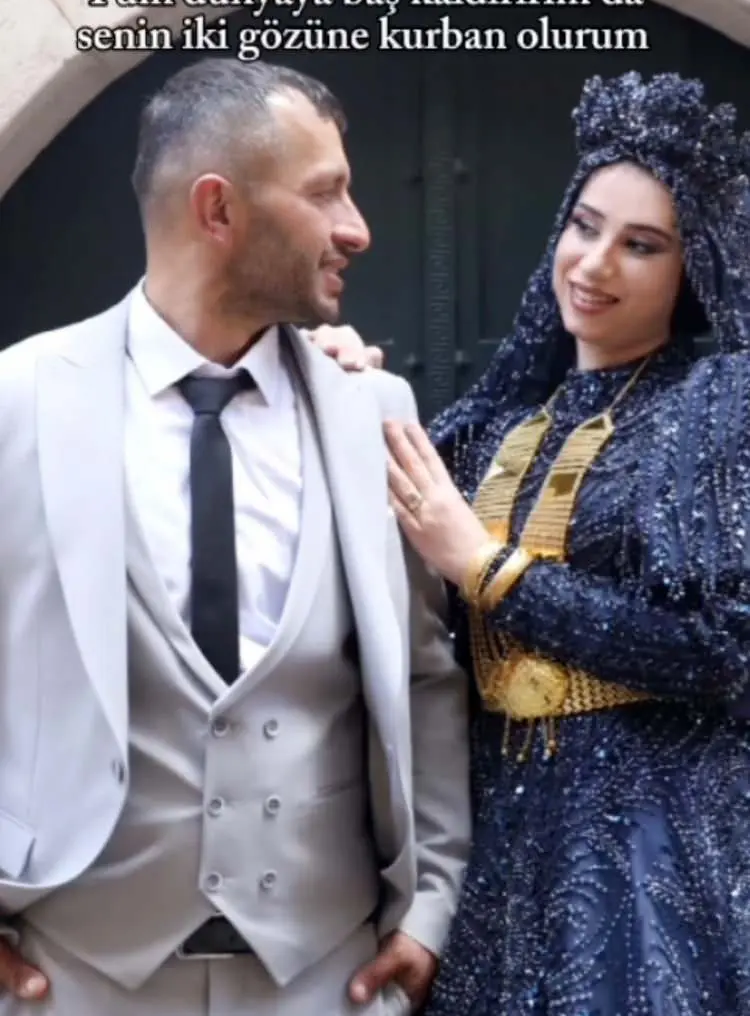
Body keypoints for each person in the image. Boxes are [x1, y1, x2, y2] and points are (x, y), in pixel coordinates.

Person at [0, 57, 471, 1015]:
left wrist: (432, 902)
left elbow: (425, 675)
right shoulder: (17, 402)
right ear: (218, 209)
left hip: (328, 975)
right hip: (72, 975)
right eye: (325, 192)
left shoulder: (374, 411)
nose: (358, 228)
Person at [309, 70, 750, 1014]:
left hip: (656, 846)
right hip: (496, 854)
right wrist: (334, 386)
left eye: (642, 245)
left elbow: (722, 650)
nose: (594, 263)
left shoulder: (721, 406)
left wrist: (488, 568)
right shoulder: (488, 429)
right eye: (585, 226)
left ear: (693, 268)